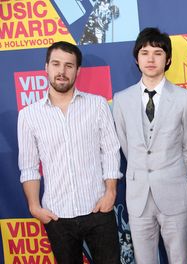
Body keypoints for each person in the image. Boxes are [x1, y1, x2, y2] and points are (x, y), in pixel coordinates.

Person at [18, 41, 122, 264]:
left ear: (78, 71)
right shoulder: (29, 115)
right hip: (57, 216)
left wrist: (110, 193)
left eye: (68, 66)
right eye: (56, 64)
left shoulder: (97, 105)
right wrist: (35, 207)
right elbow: (28, 166)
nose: (62, 71)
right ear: (46, 67)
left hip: (98, 210)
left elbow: (111, 151)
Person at [112, 27, 187, 264]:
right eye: (145, 52)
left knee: (180, 259)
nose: (150, 58)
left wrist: (171, 172)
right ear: (137, 58)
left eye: (157, 52)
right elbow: (125, 144)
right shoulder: (121, 99)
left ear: (168, 58)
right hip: (138, 197)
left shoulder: (184, 98)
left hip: (175, 193)